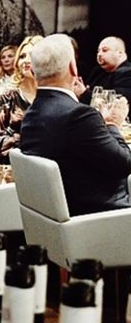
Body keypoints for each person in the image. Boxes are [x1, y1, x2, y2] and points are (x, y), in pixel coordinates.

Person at [19, 34, 131, 216]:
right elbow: (125, 164)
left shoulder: (32, 112)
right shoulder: (79, 115)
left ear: (33, 71)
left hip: (58, 213)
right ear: (73, 67)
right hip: (103, 217)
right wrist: (112, 124)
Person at [0, 35, 41, 162]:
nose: (26, 60)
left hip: (43, 166)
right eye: (22, 56)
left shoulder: (48, 94)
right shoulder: (5, 94)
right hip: (8, 169)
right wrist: (34, 142)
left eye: (32, 56)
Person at [90, 36, 131, 101]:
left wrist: (84, 93)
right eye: (98, 51)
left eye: (105, 50)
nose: (99, 54)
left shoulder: (127, 73)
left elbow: (116, 102)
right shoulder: (97, 71)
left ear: (120, 53)